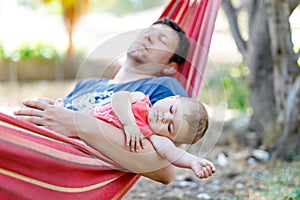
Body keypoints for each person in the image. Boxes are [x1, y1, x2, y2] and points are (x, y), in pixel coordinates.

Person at [14, 18, 216, 184]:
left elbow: (165, 170)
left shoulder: (162, 90)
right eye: (148, 32)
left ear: (170, 67)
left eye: (161, 40)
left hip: (63, 172)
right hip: (36, 147)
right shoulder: (88, 84)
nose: (148, 36)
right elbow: (57, 119)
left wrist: (77, 123)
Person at [90, 91, 215, 179]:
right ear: (171, 97)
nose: (165, 117)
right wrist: (129, 123)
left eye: (170, 127)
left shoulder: (154, 137)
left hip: (89, 148)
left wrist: (193, 162)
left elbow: (173, 153)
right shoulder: (140, 99)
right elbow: (119, 97)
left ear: (170, 138)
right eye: (172, 110)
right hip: (85, 123)